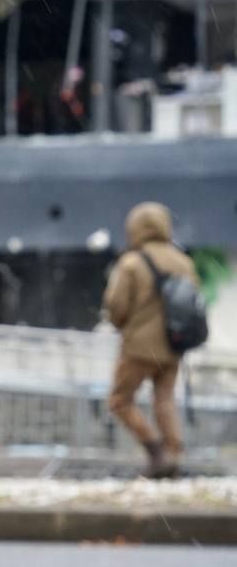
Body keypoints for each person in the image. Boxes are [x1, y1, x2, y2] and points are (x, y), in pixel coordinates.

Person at [102, 203, 199, 479]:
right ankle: (173, 456)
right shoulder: (183, 262)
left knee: (120, 401)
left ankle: (156, 452)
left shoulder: (131, 263)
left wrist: (123, 324)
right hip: (172, 345)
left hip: (138, 348)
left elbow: (116, 306)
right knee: (164, 400)